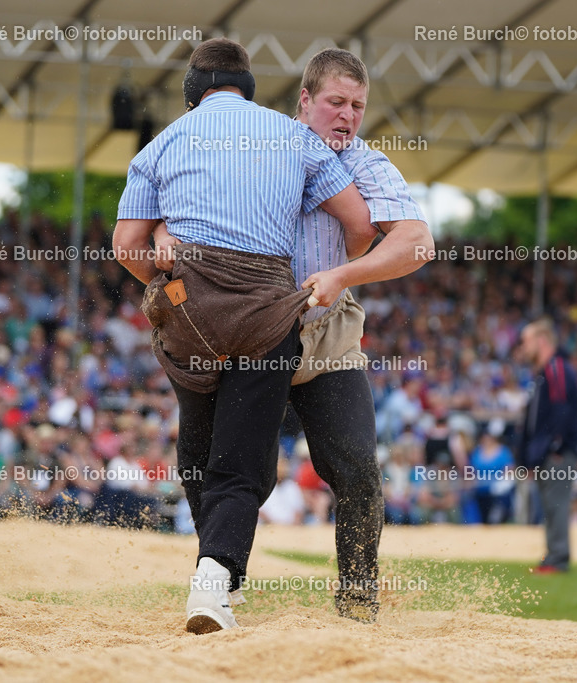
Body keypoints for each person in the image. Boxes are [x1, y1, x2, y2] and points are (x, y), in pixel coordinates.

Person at [153, 48, 433, 622]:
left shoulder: (367, 164)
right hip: (251, 332)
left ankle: (358, 599)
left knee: (356, 468)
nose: (347, 115)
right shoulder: (262, 142)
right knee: (198, 463)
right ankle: (225, 579)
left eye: (357, 105)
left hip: (325, 336)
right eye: (336, 101)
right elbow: (179, 188)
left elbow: (417, 243)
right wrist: (159, 226)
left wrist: (345, 273)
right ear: (304, 100)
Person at [113, 37, 379, 634]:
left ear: (192, 91)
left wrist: (167, 274)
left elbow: (125, 246)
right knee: (241, 461)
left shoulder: (161, 143)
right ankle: (216, 580)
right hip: (266, 310)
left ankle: (215, 571)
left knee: (199, 453)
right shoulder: (296, 140)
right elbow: (361, 224)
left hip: (191, 305)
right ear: (252, 89)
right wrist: (334, 264)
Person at [515, 318, 577, 573]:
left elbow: (561, 411)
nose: (523, 348)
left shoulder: (556, 369)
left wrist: (555, 447)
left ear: (541, 341)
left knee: (557, 504)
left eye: (526, 341)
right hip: (550, 453)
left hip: (557, 454)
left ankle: (558, 558)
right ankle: (553, 555)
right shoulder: (548, 371)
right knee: (550, 505)